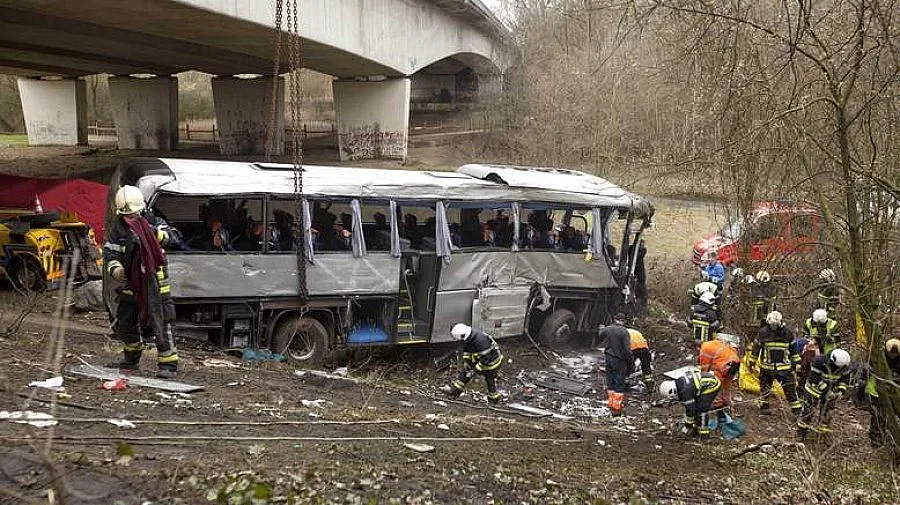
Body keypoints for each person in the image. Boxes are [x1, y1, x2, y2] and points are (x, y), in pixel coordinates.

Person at [104, 185, 179, 378]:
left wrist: (152, 234)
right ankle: (131, 360)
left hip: (157, 288)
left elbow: (173, 238)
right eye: (127, 216)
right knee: (126, 325)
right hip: (130, 288)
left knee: (161, 324)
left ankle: (168, 365)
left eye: (134, 215)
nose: (131, 219)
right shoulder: (118, 230)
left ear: (142, 209)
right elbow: (110, 253)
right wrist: (116, 269)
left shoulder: (155, 222)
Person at [750, 311, 802, 416]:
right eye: (771, 325)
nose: (773, 327)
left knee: (790, 391)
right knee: (765, 388)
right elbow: (756, 348)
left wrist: (798, 363)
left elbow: (793, 350)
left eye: (775, 325)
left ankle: (797, 412)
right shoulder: (763, 332)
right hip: (767, 368)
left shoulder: (787, 333)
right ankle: (764, 407)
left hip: (784, 369)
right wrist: (752, 361)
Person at [797, 348, 851, 440]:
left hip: (831, 393)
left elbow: (845, 379)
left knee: (827, 413)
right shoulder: (819, 361)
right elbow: (815, 378)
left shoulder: (844, 366)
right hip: (813, 390)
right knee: (808, 411)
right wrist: (827, 391)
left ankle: (821, 435)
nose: (839, 369)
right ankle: (801, 433)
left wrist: (841, 391)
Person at [444, 324, 503, 404]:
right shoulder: (469, 336)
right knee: (465, 372)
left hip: (492, 362)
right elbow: (467, 351)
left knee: (489, 379)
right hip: (481, 358)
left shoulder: (480, 341)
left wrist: (474, 370)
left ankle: (493, 399)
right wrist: (467, 362)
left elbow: (486, 359)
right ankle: (455, 391)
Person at [860, 339, 900, 446]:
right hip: (875, 392)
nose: (893, 356)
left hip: (893, 393)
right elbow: (866, 373)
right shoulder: (877, 357)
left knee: (891, 416)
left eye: (895, 355)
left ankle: (889, 438)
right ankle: (875, 440)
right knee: (878, 416)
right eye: (891, 354)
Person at [659, 371, 722, 437]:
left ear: (671, 391)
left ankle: (703, 433)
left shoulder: (684, 392)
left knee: (702, 409)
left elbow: (691, 409)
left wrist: (688, 424)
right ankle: (696, 425)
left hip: (712, 385)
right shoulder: (679, 383)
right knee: (697, 406)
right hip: (705, 383)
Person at [600, 313, 633, 416]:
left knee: (610, 380)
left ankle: (610, 403)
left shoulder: (608, 329)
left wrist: (601, 328)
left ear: (615, 319)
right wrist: (630, 362)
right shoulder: (624, 332)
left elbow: (600, 334)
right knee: (619, 382)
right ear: (623, 321)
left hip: (608, 357)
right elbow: (627, 350)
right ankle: (616, 407)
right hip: (619, 360)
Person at [698, 336, 741, 413]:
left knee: (717, 382)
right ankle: (727, 401)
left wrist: (704, 378)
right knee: (727, 383)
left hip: (725, 365)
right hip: (735, 361)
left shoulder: (704, 349)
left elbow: (704, 368)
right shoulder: (714, 343)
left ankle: (718, 404)